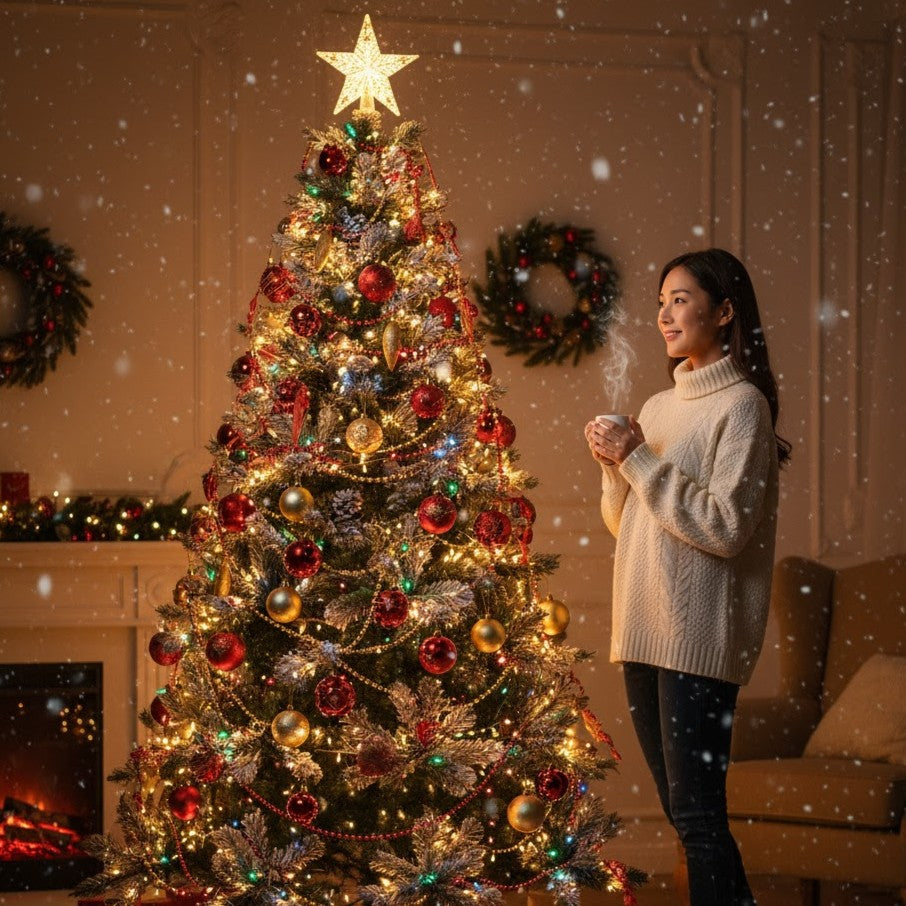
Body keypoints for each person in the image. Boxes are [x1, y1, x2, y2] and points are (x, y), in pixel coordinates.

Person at [584, 248, 791, 906]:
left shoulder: (743, 407)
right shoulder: (657, 404)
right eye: (661, 301)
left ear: (724, 311)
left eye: (680, 299)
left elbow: (724, 529)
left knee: (699, 821)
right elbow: (626, 525)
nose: (664, 314)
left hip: (697, 638)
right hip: (642, 630)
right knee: (686, 817)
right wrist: (614, 468)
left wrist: (639, 459)